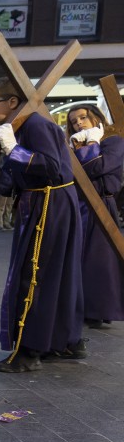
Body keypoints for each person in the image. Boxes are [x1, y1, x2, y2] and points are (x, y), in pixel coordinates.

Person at [0, 79, 84, 372]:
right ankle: (56, 341)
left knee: (34, 274)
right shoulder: (19, 129)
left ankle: (29, 351)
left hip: (49, 204)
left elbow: (53, 168)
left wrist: (14, 151)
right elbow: (14, 181)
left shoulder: (35, 125)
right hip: (41, 203)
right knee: (51, 276)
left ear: (12, 102)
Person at [67, 104, 122, 330]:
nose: (78, 123)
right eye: (73, 121)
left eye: (83, 117)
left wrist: (91, 144)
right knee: (76, 258)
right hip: (78, 204)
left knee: (100, 261)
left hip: (101, 204)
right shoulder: (71, 145)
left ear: (96, 117)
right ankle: (77, 307)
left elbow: (97, 167)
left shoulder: (114, 141)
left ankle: (98, 309)